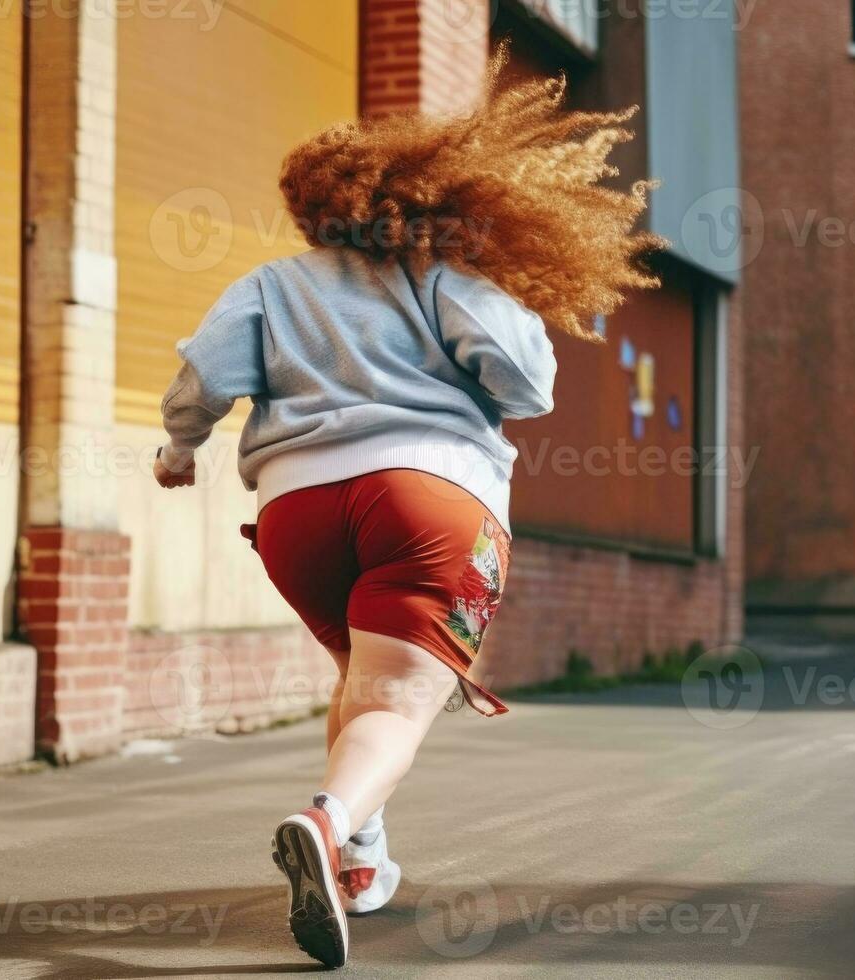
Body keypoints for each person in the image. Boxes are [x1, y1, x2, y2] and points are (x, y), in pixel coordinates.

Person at [151, 45, 663, 969]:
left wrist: (179, 449)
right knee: (393, 696)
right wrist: (487, 300)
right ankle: (328, 816)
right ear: (428, 196)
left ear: (313, 206)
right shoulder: (444, 275)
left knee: (360, 678)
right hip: (430, 498)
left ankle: (361, 859)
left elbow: (201, 382)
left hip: (295, 512)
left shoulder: (271, 283)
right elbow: (526, 384)